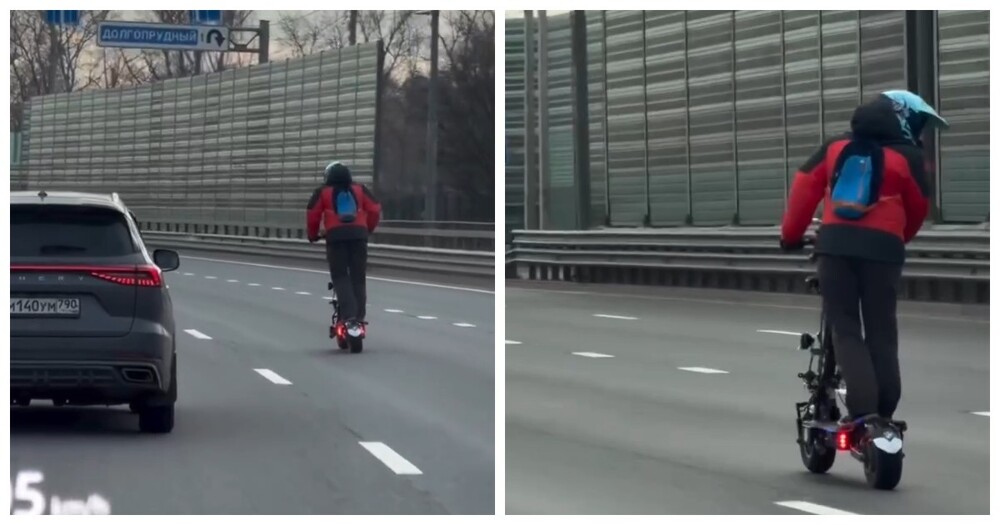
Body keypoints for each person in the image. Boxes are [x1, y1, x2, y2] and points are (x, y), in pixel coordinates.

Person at [779, 90, 947, 425]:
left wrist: (791, 236)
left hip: (836, 247)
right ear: (904, 120)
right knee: (881, 329)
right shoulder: (910, 158)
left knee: (845, 327)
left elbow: (803, 188)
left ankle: (862, 408)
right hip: (884, 253)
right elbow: (917, 210)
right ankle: (883, 409)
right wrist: (896, 239)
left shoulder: (835, 148)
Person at [306, 161, 382, 326]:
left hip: (336, 238)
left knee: (340, 277)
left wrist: (313, 235)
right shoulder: (360, 189)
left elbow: (313, 214)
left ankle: (349, 317)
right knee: (358, 278)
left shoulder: (323, 192)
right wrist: (367, 228)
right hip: (359, 236)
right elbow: (375, 208)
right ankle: (359, 318)